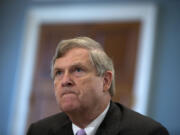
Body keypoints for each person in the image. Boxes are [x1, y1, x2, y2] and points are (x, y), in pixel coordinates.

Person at [27, 37, 169, 135]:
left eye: (77, 70)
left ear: (106, 81)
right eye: (58, 72)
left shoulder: (147, 132)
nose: (65, 81)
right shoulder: (39, 131)